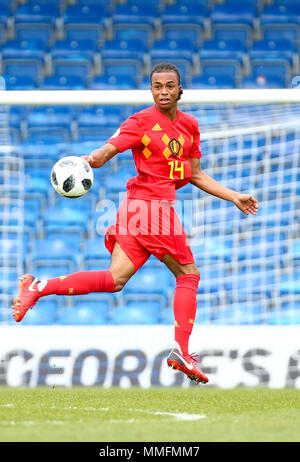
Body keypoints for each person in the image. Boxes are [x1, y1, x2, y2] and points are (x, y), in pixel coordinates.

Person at [13, 63, 258, 384]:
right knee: (189, 274)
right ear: (151, 90)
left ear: (180, 89)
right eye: (158, 86)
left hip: (136, 211)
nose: (164, 92)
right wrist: (90, 159)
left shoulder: (190, 126)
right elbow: (106, 152)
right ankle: (182, 351)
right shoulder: (141, 121)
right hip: (150, 208)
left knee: (115, 280)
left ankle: (38, 287)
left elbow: (195, 174)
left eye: (170, 86)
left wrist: (233, 196)